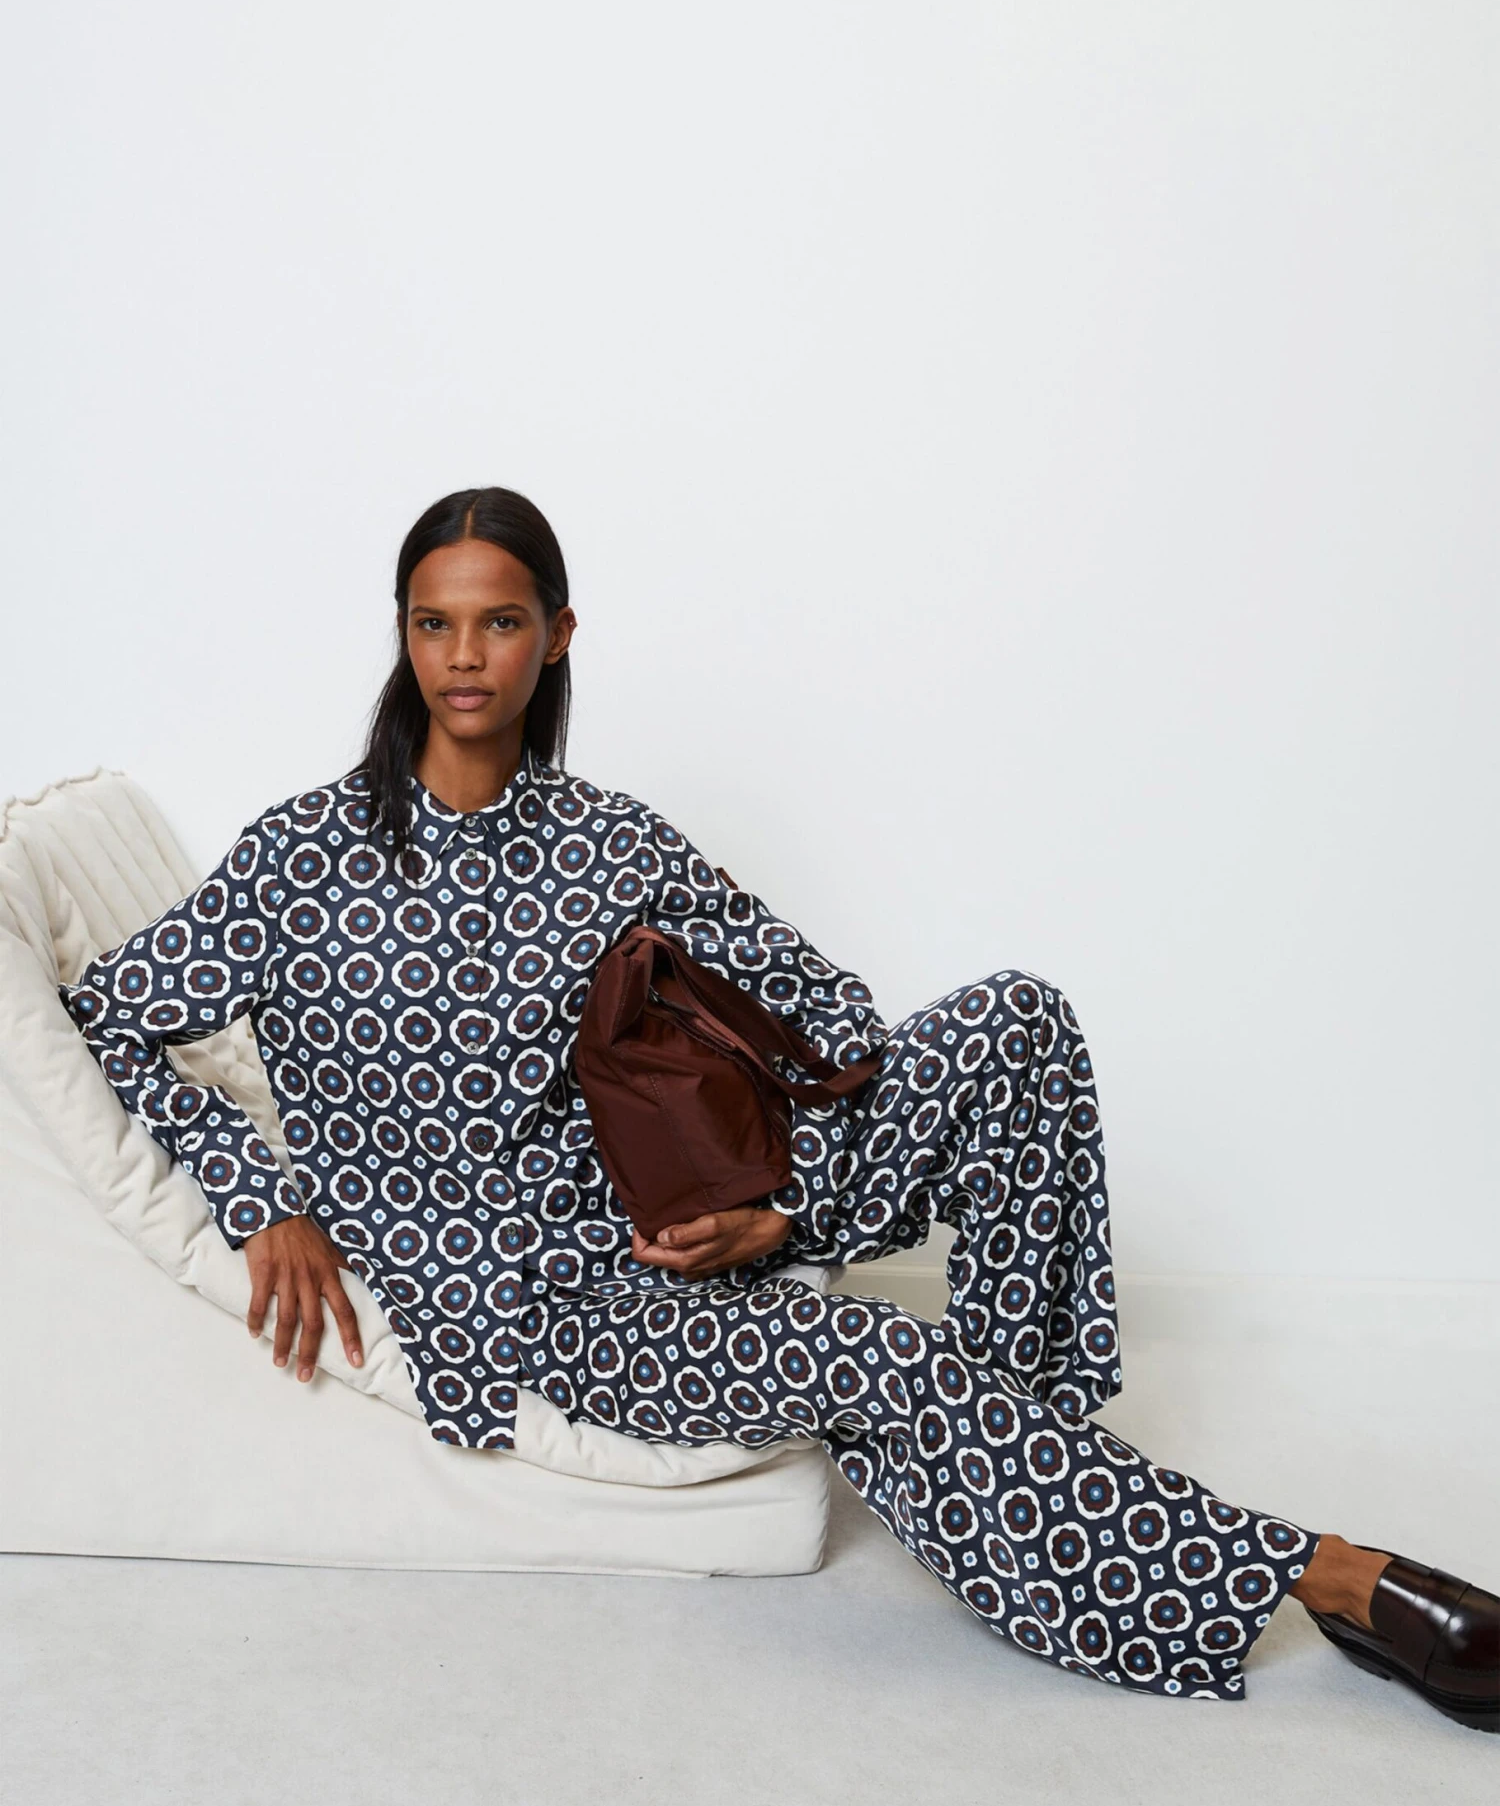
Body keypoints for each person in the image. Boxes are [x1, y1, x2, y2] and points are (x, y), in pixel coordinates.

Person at [59, 487, 1497, 1729]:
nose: (464, 656)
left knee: (1015, 1022)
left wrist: (779, 1205)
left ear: (558, 635)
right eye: (434, 624)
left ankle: (1031, 1441)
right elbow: (113, 1012)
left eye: (499, 622)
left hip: (671, 1231)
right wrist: (265, 1200)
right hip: (545, 1317)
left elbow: (833, 1013)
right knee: (881, 1355)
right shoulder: (305, 856)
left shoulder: (609, 842)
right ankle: (1332, 1575)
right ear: (402, 635)